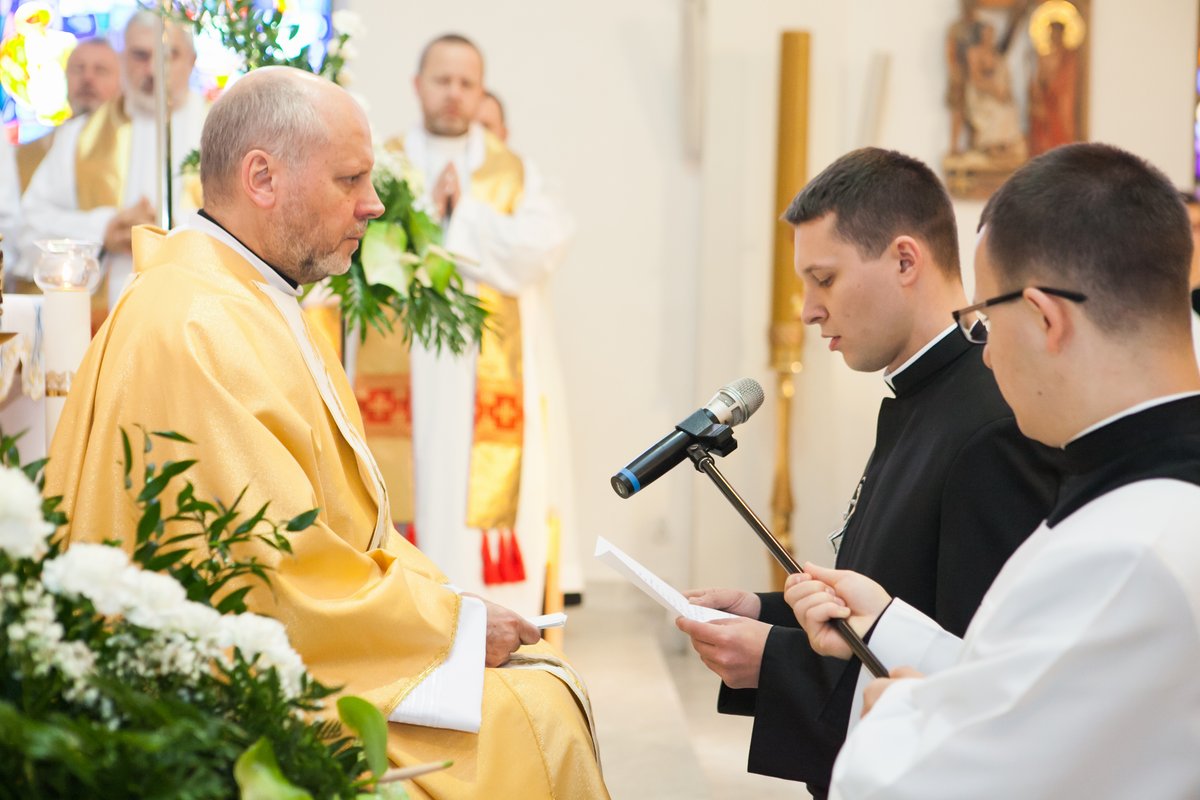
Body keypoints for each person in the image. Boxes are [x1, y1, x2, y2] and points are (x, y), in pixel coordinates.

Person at [45, 66, 607, 800]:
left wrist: (451, 610)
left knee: (541, 689)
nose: (374, 204)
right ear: (262, 178)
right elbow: (272, 573)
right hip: (235, 698)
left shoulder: (252, 298)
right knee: (534, 720)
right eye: (350, 179)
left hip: (308, 643)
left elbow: (343, 531)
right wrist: (453, 630)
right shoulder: (197, 325)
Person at [789, 142, 1200, 799]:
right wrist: (891, 628)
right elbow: (1045, 687)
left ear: (1044, 317)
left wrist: (898, 709)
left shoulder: (1124, 551)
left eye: (985, 316)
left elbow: (936, 786)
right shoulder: (1143, 501)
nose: (984, 353)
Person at [675, 148, 1058, 799]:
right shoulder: (921, 397)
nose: (808, 310)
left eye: (823, 279)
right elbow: (896, 592)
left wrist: (773, 660)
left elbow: (972, 671)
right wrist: (770, 613)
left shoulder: (991, 424)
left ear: (905, 261)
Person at [354, 34, 574, 618]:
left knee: (474, 513)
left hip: (484, 378)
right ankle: (405, 620)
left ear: (481, 92)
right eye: (442, 80)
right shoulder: (379, 163)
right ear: (417, 85)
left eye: (466, 83)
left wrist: (461, 216)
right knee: (412, 489)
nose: (453, 93)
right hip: (404, 377)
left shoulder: (515, 172)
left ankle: (487, 631)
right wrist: (425, 216)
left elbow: (540, 249)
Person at [18, 11, 206, 322]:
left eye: (168, 55)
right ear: (122, 58)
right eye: (140, 55)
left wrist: (173, 231)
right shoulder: (81, 136)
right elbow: (30, 226)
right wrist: (104, 228)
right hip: (102, 320)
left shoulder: (219, 130)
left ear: (191, 60)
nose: (153, 70)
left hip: (195, 313)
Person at [16, 38, 121, 192]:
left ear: (121, 82)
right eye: (78, 69)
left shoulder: (132, 148)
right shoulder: (30, 154)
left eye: (100, 70)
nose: (87, 78)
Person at [1027, 20, 1079, 157]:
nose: (1054, 37)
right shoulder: (1044, 57)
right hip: (1047, 101)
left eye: (1057, 33)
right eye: (1052, 33)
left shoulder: (1070, 56)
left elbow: (1069, 79)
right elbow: (1039, 81)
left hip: (1061, 102)